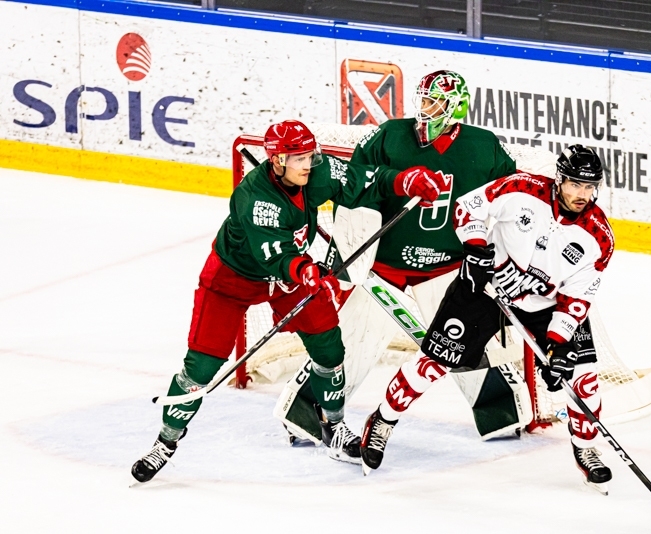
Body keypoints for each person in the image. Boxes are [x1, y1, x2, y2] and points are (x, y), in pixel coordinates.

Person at [130, 119, 443, 483]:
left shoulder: (315, 172)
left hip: (292, 276)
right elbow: (275, 255)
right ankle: (165, 442)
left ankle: (334, 428)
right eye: (297, 158)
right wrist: (306, 270)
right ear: (277, 161)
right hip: (233, 280)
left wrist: (402, 182)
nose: (307, 164)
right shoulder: (254, 197)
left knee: (329, 346)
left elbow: (363, 181)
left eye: (309, 155)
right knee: (200, 367)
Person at [276, 69, 531, 445]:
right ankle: (307, 414)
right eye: (423, 99)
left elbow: (511, 199)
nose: (424, 109)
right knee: (350, 341)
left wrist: (501, 254)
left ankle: (502, 413)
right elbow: (353, 183)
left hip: (447, 267)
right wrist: (345, 251)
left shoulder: (483, 146)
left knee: (466, 341)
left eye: (434, 101)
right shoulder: (391, 135)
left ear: (454, 106)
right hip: (384, 266)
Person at [361, 145, 616, 493]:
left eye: (589, 187)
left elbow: (577, 297)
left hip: (547, 306)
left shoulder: (599, 237)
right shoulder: (522, 189)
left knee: (581, 376)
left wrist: (557, 345)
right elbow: (468, 207)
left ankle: (585, 448)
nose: (582, 195)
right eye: (575, 185)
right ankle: (382, 420)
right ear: (560, 179)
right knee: (433, 363)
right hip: (484, 286)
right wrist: (477, 247)